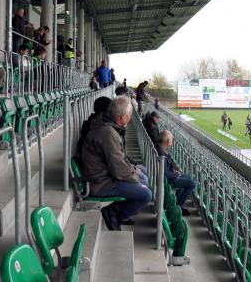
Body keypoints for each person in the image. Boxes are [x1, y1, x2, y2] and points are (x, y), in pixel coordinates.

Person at [80, 97, 152, 231]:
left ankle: (120, 212)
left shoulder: (108, 127)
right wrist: (135, 178)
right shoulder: (108, 133)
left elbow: (120, 159)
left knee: (143, 175)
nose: (130, 119)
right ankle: (114, 214)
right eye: (130, 116)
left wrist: (134, 170)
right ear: (123, 116)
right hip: (100, 183)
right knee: (146, 194)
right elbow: (118, 169)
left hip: (104, 175)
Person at [156, 130, 196, 215]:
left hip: (169, 176)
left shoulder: (160, 148)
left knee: (188, 177)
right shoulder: (161, 153)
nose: (172, 142)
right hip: (169, 179)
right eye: (171, 140)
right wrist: (176, 174)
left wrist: (174, 171)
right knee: (192, 184)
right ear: (167, 141)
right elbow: (165, 174)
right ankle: (178, 206)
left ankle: (176, 202)